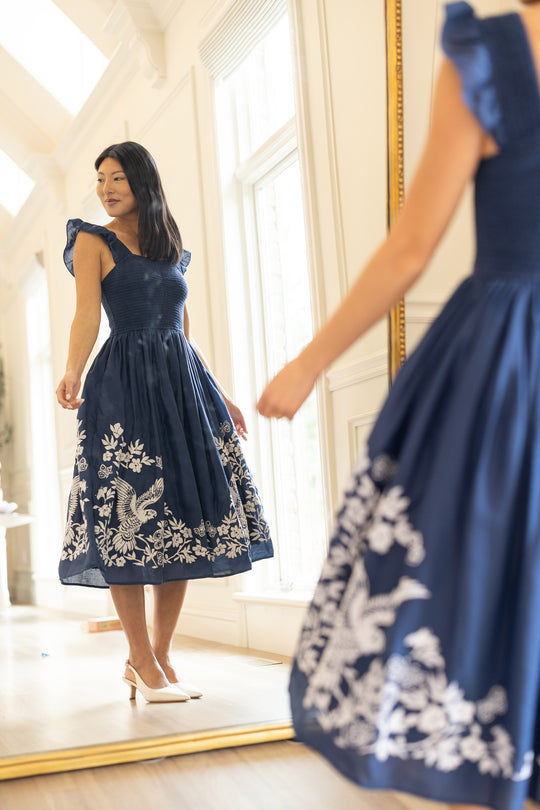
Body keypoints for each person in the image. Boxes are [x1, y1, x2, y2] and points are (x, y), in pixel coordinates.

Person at [257, 2, 540, 809]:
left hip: (512, 368)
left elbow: (413, 246)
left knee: (492, 601)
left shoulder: (491, 57)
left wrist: (310, 364)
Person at [56, 141, 273, 703]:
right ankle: (138, 658)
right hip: (123, 387)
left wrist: (220, 395)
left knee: (176, 515)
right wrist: (72, 371)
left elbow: (185, 329)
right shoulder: (91, 240)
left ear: (143, 182)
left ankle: (161, 656)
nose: (105, 188)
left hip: (180, 387)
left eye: (118, 178)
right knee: (126, 524)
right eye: (100, 178)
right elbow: (86, 312)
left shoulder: (172, 246)